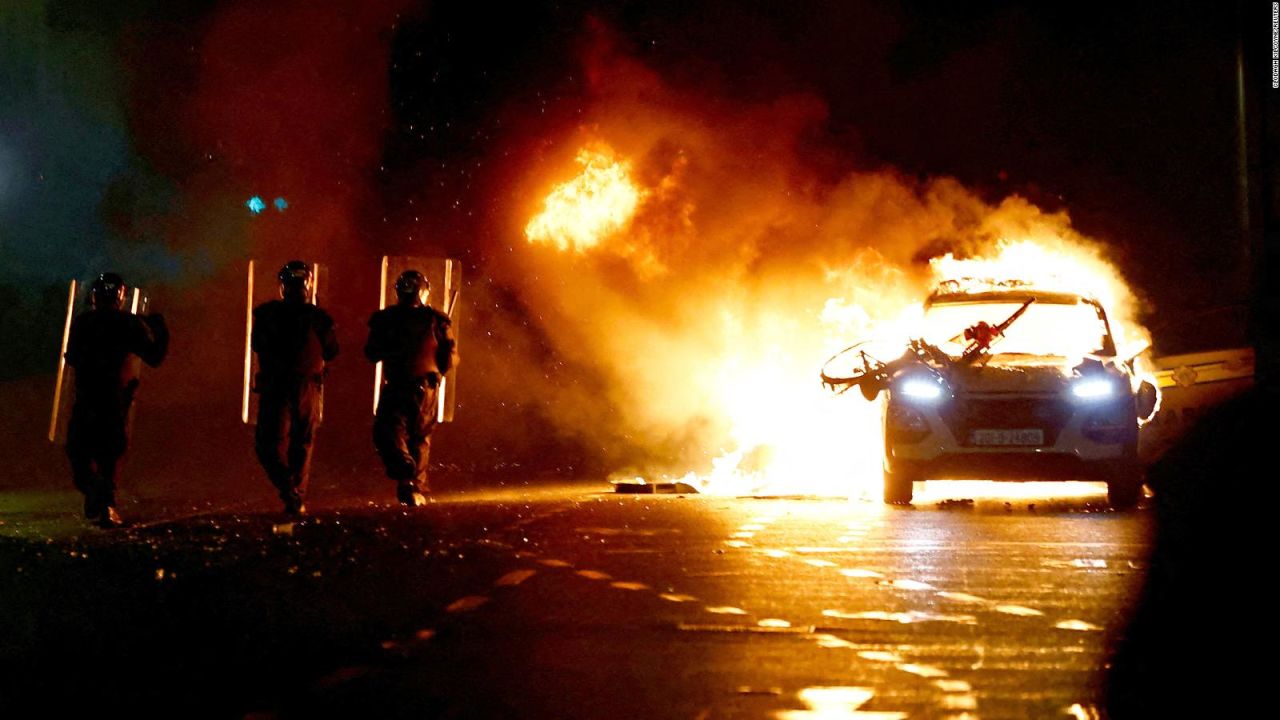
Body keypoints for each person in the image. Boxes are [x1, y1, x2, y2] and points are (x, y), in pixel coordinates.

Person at [65, 272, 169, 528]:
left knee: (81, 453)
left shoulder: (84, 322)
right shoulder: (127, 323)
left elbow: (72, 358)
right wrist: (159, 330)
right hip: (112, 400)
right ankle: (102, 500)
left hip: (91, 398)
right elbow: (154, 357)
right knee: (105, 455)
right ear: (120, 296)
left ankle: (101, 501)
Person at [364, 270, 458, 506]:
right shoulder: (436, 320)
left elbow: (371, 353)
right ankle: (414, 486)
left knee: (389, 430)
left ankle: (406, 473)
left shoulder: (387, 319)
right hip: (425, 388)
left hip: (398, 384)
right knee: (420, 437)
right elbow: (450, 357)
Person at [251, 261, 338, 516]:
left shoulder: (266, 314)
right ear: (308, 284)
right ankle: (295, 495)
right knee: (302, 442)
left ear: (282, 286)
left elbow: (257, 344)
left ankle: (290, 491)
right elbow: (332, 351)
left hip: (276, 387)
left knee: (268, 444)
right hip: (306, 388)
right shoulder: (318, 317)